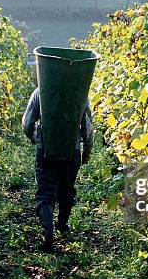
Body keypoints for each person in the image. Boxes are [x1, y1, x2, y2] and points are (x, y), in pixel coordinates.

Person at [22, 88, 94, 251]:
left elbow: (27, 124)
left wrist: (36, 139)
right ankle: (62, 225)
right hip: (72, 150)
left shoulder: (40, 92)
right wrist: (87, 150)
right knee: (67, 189)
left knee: (46, 191)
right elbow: (87, 127)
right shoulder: (80, 91)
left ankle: (48, 231)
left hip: (46, 150)